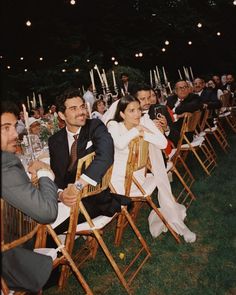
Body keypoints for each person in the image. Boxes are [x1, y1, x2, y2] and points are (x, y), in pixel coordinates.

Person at [107, 95, 196, 243]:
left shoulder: (142, 122)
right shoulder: (114, 126)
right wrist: (138, 131)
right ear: (122, 114)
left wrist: (144, 131)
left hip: (137, 178)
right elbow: (119, 144)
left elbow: (162, 143)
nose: (137, 114)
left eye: (138, 110)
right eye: (131, 110)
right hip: (119, 182)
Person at [48, 88, 129, 231]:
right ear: (61, 115)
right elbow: (58, 175)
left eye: (82, 107)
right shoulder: (55, 140)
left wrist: (77, 186)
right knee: (41, 220)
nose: (81, 112)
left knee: (49, 229)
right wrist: (61, 195)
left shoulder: (95, 126)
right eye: (73, 108)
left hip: (94, 198)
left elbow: (105, 157)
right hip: (69, 199)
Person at [1, 100, 58, 292]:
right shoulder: (5, 167)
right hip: (12, 256)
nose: (15, 134)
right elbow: (48, 212)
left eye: (13, 127)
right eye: (5, 128)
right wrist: (45, 173)